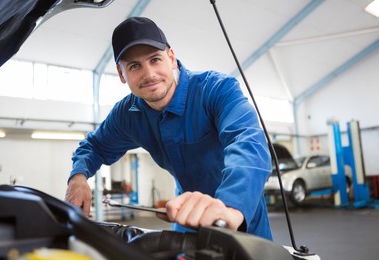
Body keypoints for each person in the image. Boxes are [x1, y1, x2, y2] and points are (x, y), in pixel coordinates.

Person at [66, 17, 273, 240]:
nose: (149, 74)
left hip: (239, 212)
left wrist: (231, 207)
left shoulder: (216, 89)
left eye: (155, 59)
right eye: (134, 66)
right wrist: (78, 177)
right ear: (121, 74)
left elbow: (247, 141)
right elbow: (95, 146)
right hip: (184, 217)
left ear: (171, 58)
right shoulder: (128, 114)